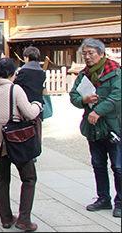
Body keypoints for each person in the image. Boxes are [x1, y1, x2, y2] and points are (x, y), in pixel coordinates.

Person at [0, 58, 43, 232]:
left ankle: (6, 218)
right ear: (10, 74)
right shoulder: (16, 90)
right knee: (29, 178)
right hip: (17, 141)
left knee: (1, 180)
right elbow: (30, 114)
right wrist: (37, 105)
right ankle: (24, 219)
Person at [69, 38, 121, 218]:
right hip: (93, 128)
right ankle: (103, 198)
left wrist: (97, 111)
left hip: (113, 127)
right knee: (98, 165)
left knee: (118, 166)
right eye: (84, 53)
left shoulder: (115, 72)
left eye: (91, 53)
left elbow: (117, 97)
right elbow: (74, 95)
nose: (87, 57)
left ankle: (120, 201)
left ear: (101, 54)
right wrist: (85, 100)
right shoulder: (84, 74)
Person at [14, 46, 47, 143]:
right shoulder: (41, 72)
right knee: (36, 131)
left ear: (27, 57)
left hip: (26, 105)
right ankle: (35, 151)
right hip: (38, 105)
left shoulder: (24, 71)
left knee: (26, 132)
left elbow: (16, 85)